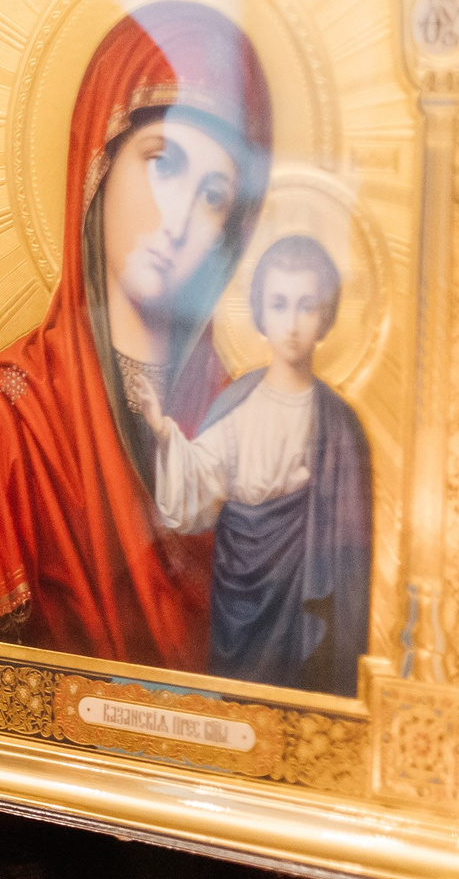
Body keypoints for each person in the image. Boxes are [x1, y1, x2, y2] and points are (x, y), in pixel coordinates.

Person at [0, 1, 274, 672]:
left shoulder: (246, 423)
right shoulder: (14, 415)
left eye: (214, 195)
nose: (178, 219)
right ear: (98, 164)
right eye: (163, 162)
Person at [147, 234, 371, 695]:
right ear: (260, 313)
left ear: (326, 316)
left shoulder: (341, 425)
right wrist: (164, 433)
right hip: (241, 605)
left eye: (307, 306)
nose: (292, 324)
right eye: (280, 304)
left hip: (309, 605)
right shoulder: (239, 404)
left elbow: (351, 553)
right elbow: (197, 489)